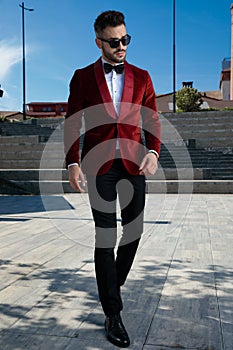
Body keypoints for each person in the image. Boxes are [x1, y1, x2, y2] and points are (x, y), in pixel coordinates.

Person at [64, 10, 161, 348]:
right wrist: (72, 163)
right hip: (98, 165)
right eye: (114, 41)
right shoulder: (82, 77)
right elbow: (73, 123)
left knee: (133, 233)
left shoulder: (143, 76)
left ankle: (110, 287)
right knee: (106, 237)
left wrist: (154, 153)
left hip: (134, 164)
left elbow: (153, 121)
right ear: (98, 42)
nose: (121, 46)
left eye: (125, 39)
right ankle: (113, 312)